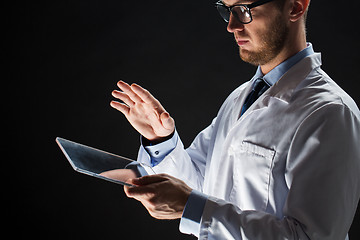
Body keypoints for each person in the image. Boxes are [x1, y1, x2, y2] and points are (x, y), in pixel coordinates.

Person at [101, 0, 360, 239]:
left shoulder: (329, 112)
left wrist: (196, 209)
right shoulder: (241, 98)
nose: (231, 25)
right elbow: (198, 186)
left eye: (244, 9)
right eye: (226, 9)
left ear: (295, 7)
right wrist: (161, 138)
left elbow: (311, 237)